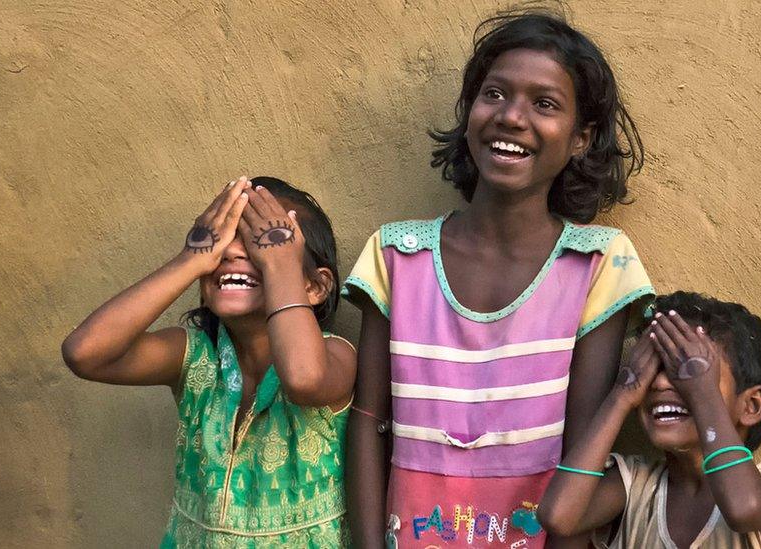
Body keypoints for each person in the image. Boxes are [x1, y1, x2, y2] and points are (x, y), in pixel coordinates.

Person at [341, 11, 653, 548]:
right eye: (494, 94)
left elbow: (583, 452)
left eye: (545, 104)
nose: (512, 117)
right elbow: (368, 422)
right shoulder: (396, 254)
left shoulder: (599, 265)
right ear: (470, 114)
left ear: (581, 138)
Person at [61, 176, 356, 547]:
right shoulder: (194, 356)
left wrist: (279, 264)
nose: (233, 253)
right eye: (224, 244)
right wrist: (192, 259)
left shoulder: (336, 355)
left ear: (314, 287)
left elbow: (304, 378)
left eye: (262, 242)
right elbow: (84, 353)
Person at [537, 292, 761, 548]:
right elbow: (558, 517)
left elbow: (744, 509)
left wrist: (702, 392)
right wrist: (623, 393)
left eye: (685, 369)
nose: (661, 382)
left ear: (751, 406)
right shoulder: (636, 485)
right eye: (654, 369)